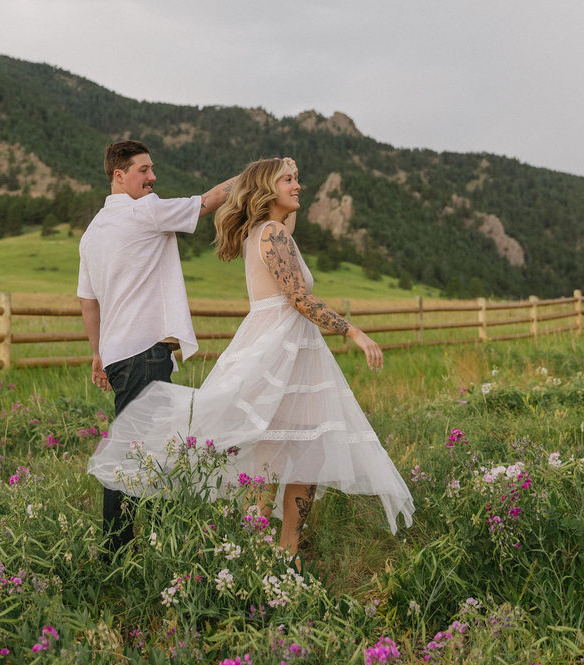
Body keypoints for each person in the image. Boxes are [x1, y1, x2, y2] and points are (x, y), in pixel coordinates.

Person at [87, 157, 414, 562]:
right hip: (279, 348)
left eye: (298, 179)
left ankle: (266, 553)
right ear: (268, 190)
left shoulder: (267, 231)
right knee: (295, 450)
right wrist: (354, 332)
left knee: (282, 448)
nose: (298, 186)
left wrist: (285, 170)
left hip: (287, 348)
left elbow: (286, 236)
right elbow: (298, 297)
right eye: (289, 180)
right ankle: (279, 550)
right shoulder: (271, 234)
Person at [77, 139, 238, 554]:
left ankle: (147, 542)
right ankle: (119, 549)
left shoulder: (93, 231)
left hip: (118, 355)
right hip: (145, 354)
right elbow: (207, 202)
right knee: (141, 452)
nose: (153, 177)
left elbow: (88, 300)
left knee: (146, 448)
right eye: (144, 170)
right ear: (119, 174)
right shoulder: (144, 211)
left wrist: (97, 353)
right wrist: (254, 176)